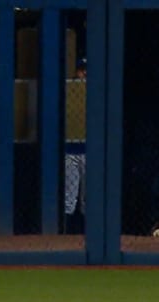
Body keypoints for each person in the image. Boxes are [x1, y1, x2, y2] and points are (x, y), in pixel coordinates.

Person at [63, 57, 86, 234]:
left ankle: (87, 235)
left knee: (87, 198)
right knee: (69, 197)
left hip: (89, 151)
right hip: (70, 150)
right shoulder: (68, 90)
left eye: (86, 69)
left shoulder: (96, 93)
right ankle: (67, 236)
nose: (84, 73)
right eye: (81, 69)